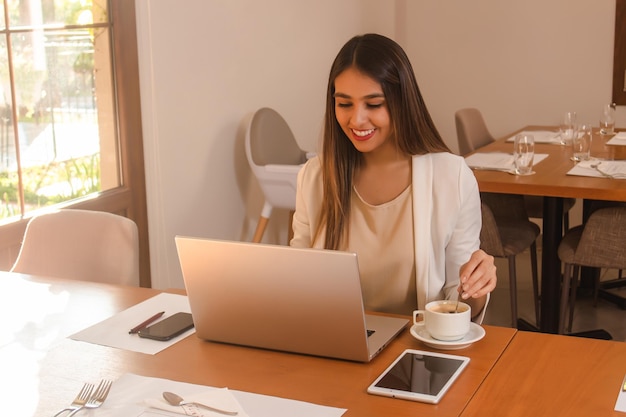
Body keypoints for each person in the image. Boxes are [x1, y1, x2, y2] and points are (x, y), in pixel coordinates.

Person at [289, 33, 497, 322]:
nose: (356, 120)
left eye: (373, 104)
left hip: (417, 352)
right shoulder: (315, 177)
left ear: (402, 102)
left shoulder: (452, 177)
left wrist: (476, 287)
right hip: (334, 347)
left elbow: (457, 303)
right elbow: (296, 283)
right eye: (344, 104)